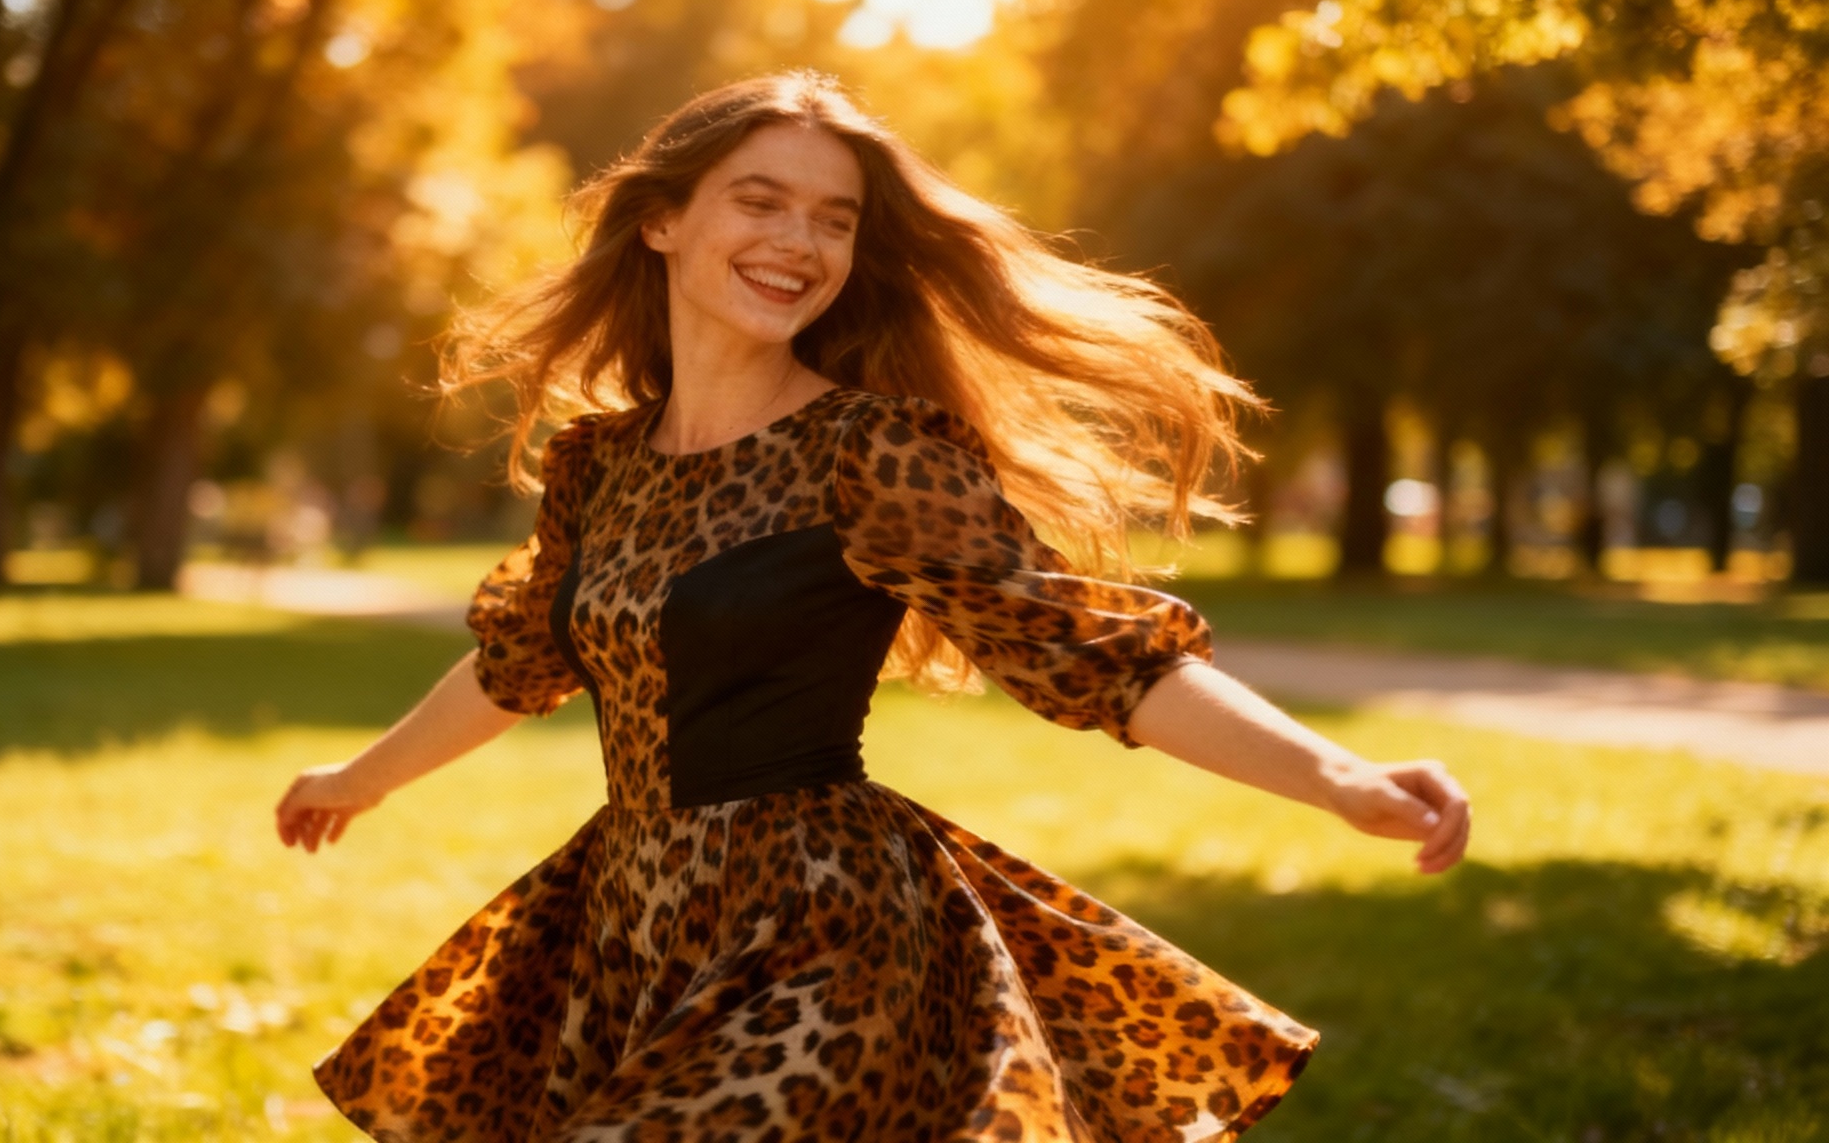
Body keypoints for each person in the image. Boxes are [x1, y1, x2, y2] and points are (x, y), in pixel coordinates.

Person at [275, 71, 1471, 1143]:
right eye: (760, 200)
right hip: (629, 930)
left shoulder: (869, 451)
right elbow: (516, 663)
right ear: (663, 220)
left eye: (832, 219)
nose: (799, 240)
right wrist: (358, 781)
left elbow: (1091, 655)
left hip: (822, 932)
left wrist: (1337, 781)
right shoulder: (601, 467)